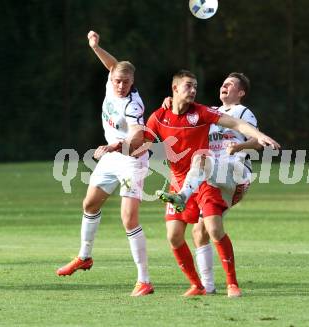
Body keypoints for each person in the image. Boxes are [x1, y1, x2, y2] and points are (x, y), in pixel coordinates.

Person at [144, 70, 280, 297]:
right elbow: (181, 116)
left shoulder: (241, 111)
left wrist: (250, 142)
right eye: (223, 83)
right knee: (201, 231)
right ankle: (205, 286)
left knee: (201, 159)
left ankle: (183, 197)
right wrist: (170, 101)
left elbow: (245, 131)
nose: (224, 86)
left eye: (230, 84)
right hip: (207, 177)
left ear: (241, 92)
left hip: (233, 173)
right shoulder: (209, 112)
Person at [56, 31, 154, 297]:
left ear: (133, 81)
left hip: (132, 159)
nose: (120, 85)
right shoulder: (111, 81)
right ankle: (84, 257)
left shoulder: (133, 105)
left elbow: (136, 137)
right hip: (112, 157)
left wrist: (114, 146)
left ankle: (144, 280)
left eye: (125, 81)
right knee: (89, 204)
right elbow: (112, 65)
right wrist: (95, 46)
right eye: (117, 80)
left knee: (128, 219)